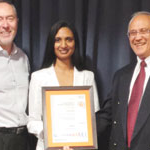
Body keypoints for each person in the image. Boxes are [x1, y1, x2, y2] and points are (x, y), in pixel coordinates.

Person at [27, 20, 100, 150]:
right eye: (57, 40)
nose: (63, 45)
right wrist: (52, 135)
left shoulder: (87, 76)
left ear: (75, 43)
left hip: (81, 147)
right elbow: (32, 121)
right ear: (51, 43)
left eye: (69, 39)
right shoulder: (38, 77)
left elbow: (94, 117)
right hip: (48, 146)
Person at [96, 11, 150, 150]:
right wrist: (74, 134)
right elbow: (106, 116)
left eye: (143, 31)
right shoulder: (121, 75)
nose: (137, 37)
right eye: (132, 33)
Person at [0, 0, 30, 150]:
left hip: (23, 140)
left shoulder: (23, 58)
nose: (5, 25)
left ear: (17, 22)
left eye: (10, 18)